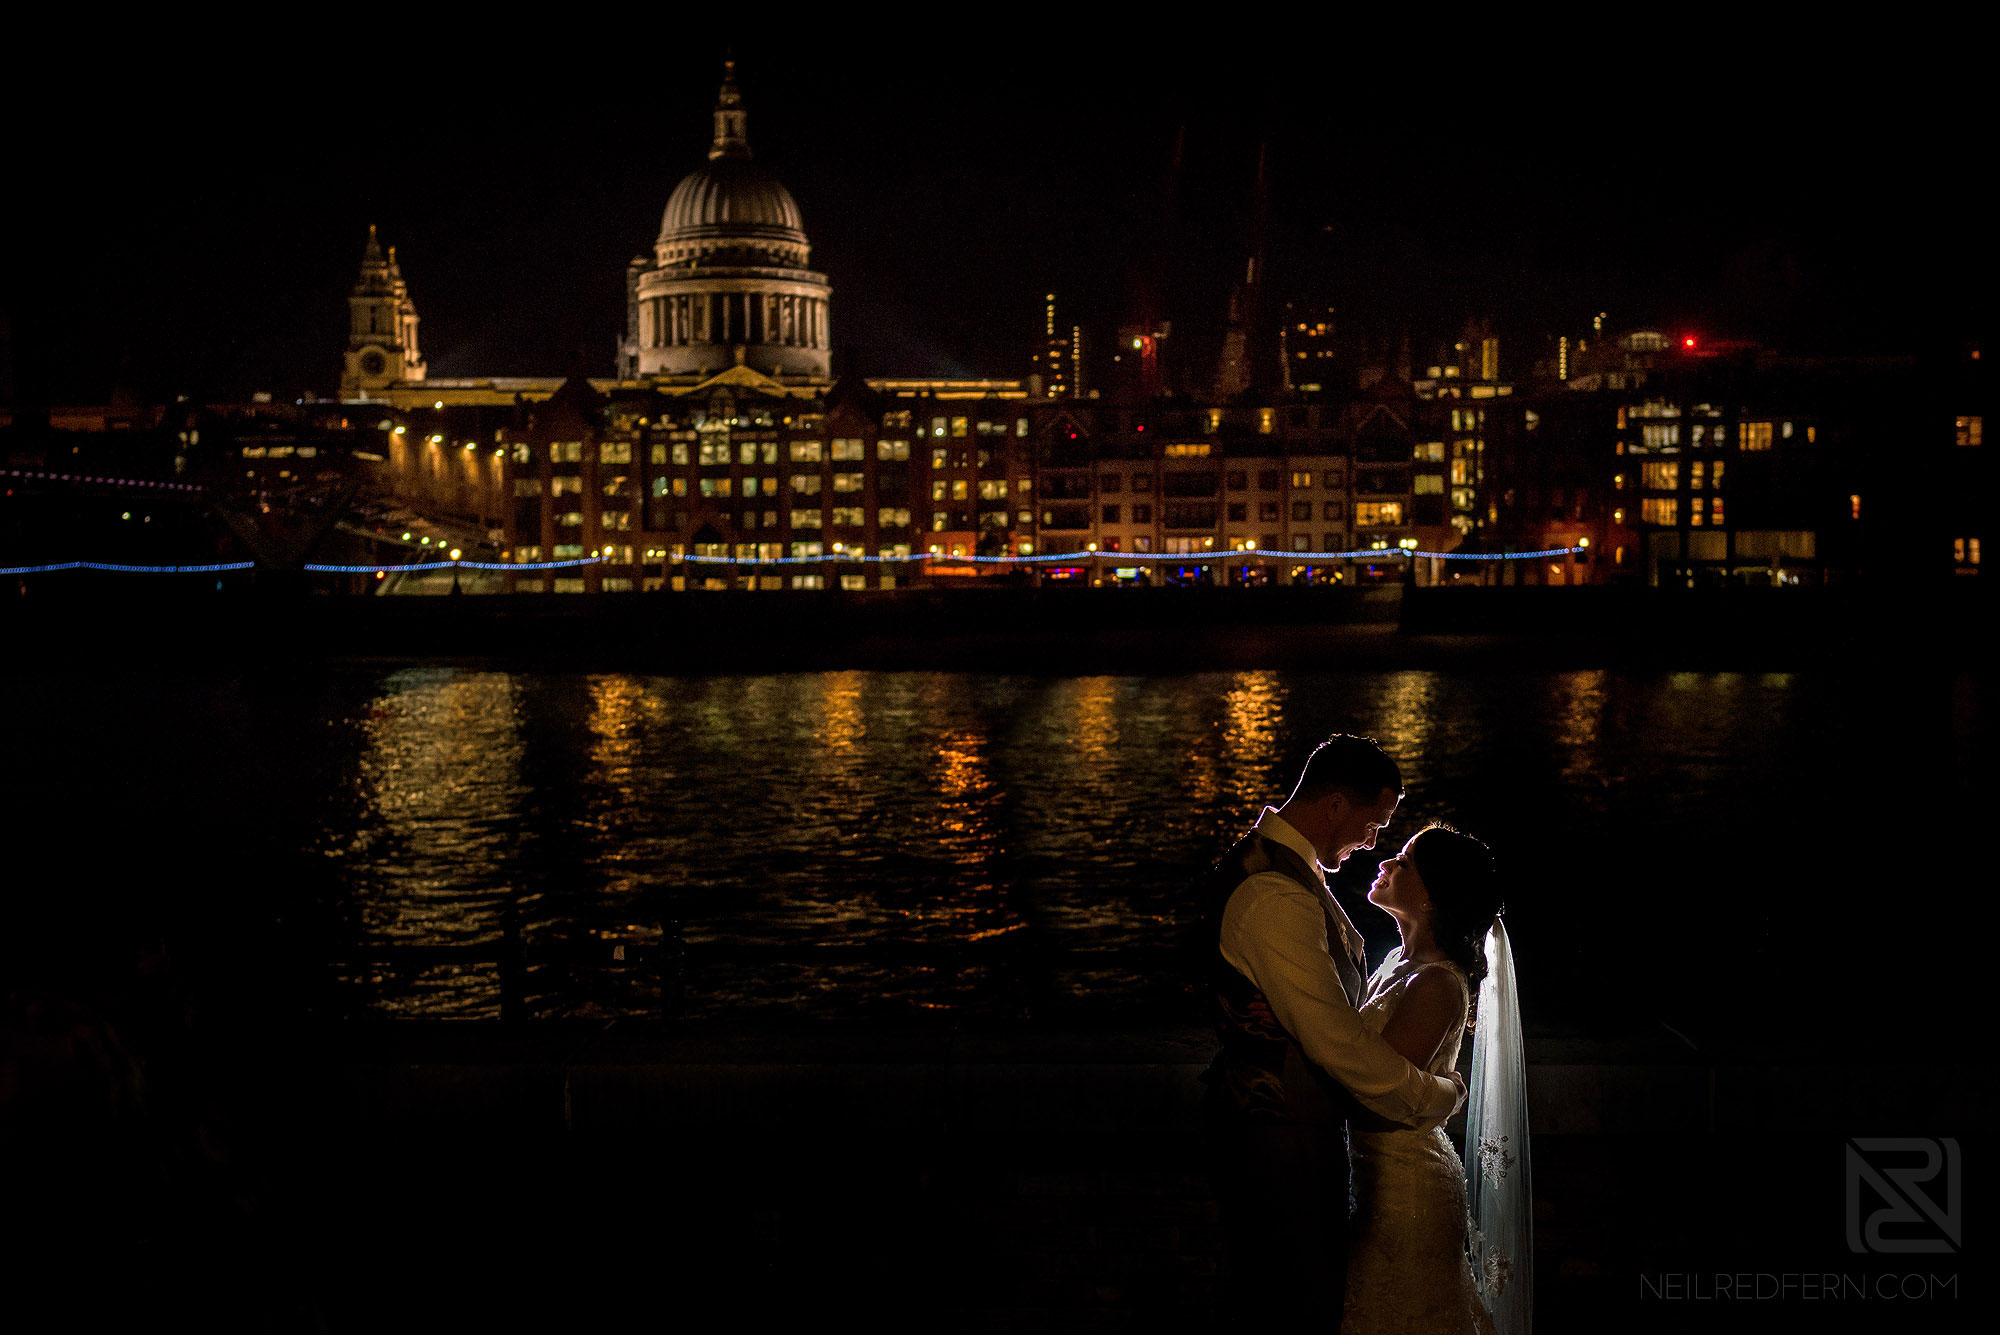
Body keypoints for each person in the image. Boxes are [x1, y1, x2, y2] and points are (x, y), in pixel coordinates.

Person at [1199, 734, 1466, 1331]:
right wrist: (1437, 1095)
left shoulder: (1293, 874)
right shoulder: (1271, 889)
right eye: (1374, 824)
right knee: (1293, 1307)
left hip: (1295, 1131)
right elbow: (1333, 1041)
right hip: (1274, 1135)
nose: (1374, 843)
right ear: (1336, 804)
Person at [1344, 823, 1524, 1335]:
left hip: (1408, 1191)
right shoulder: (1399, 962)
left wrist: (1444, 1093)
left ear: (1431, 898)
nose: (1386, 863)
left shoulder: (1438, 984)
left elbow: (1371, 1088)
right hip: (1374, 1179)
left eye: (1404, 862)